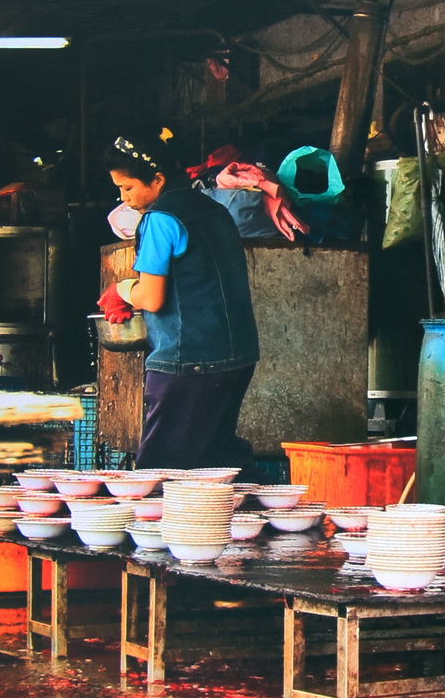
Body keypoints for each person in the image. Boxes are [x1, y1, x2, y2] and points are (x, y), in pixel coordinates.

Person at [102, 128, 305, 470]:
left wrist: (121, 289)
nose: (125, 199)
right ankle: (246, 519)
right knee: (216, 461)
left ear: (157, 178)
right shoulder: (215, 210)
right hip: (236, 355)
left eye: (128, 188)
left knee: (159, 470)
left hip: (187, 360)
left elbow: (150, 298)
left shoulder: (161, 219)